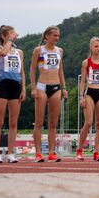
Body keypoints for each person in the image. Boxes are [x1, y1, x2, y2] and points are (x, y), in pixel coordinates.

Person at [30, 26, 68, 163]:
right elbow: (32, 69)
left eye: (58, 36)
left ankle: (52, 152)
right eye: (54, 35)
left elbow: (60, 70)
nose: (57, 38)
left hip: (56, 87)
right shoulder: (39, 50)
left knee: (53, 123)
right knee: (39, 122)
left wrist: (64, 88)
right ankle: (38, 153)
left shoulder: (60, 51)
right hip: (42, 86)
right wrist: (33, 88)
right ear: (47, 36)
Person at [0, 25, 26, 164]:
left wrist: (23, 88)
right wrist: (10, 41)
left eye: (14, 33)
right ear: (4, 35)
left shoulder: (19, 52)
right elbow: (4, 53)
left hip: (15, 86)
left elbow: (21, 71)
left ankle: (11, 153)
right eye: (11, 33)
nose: (14, 34)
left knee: (13, 122)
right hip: (3, 85)